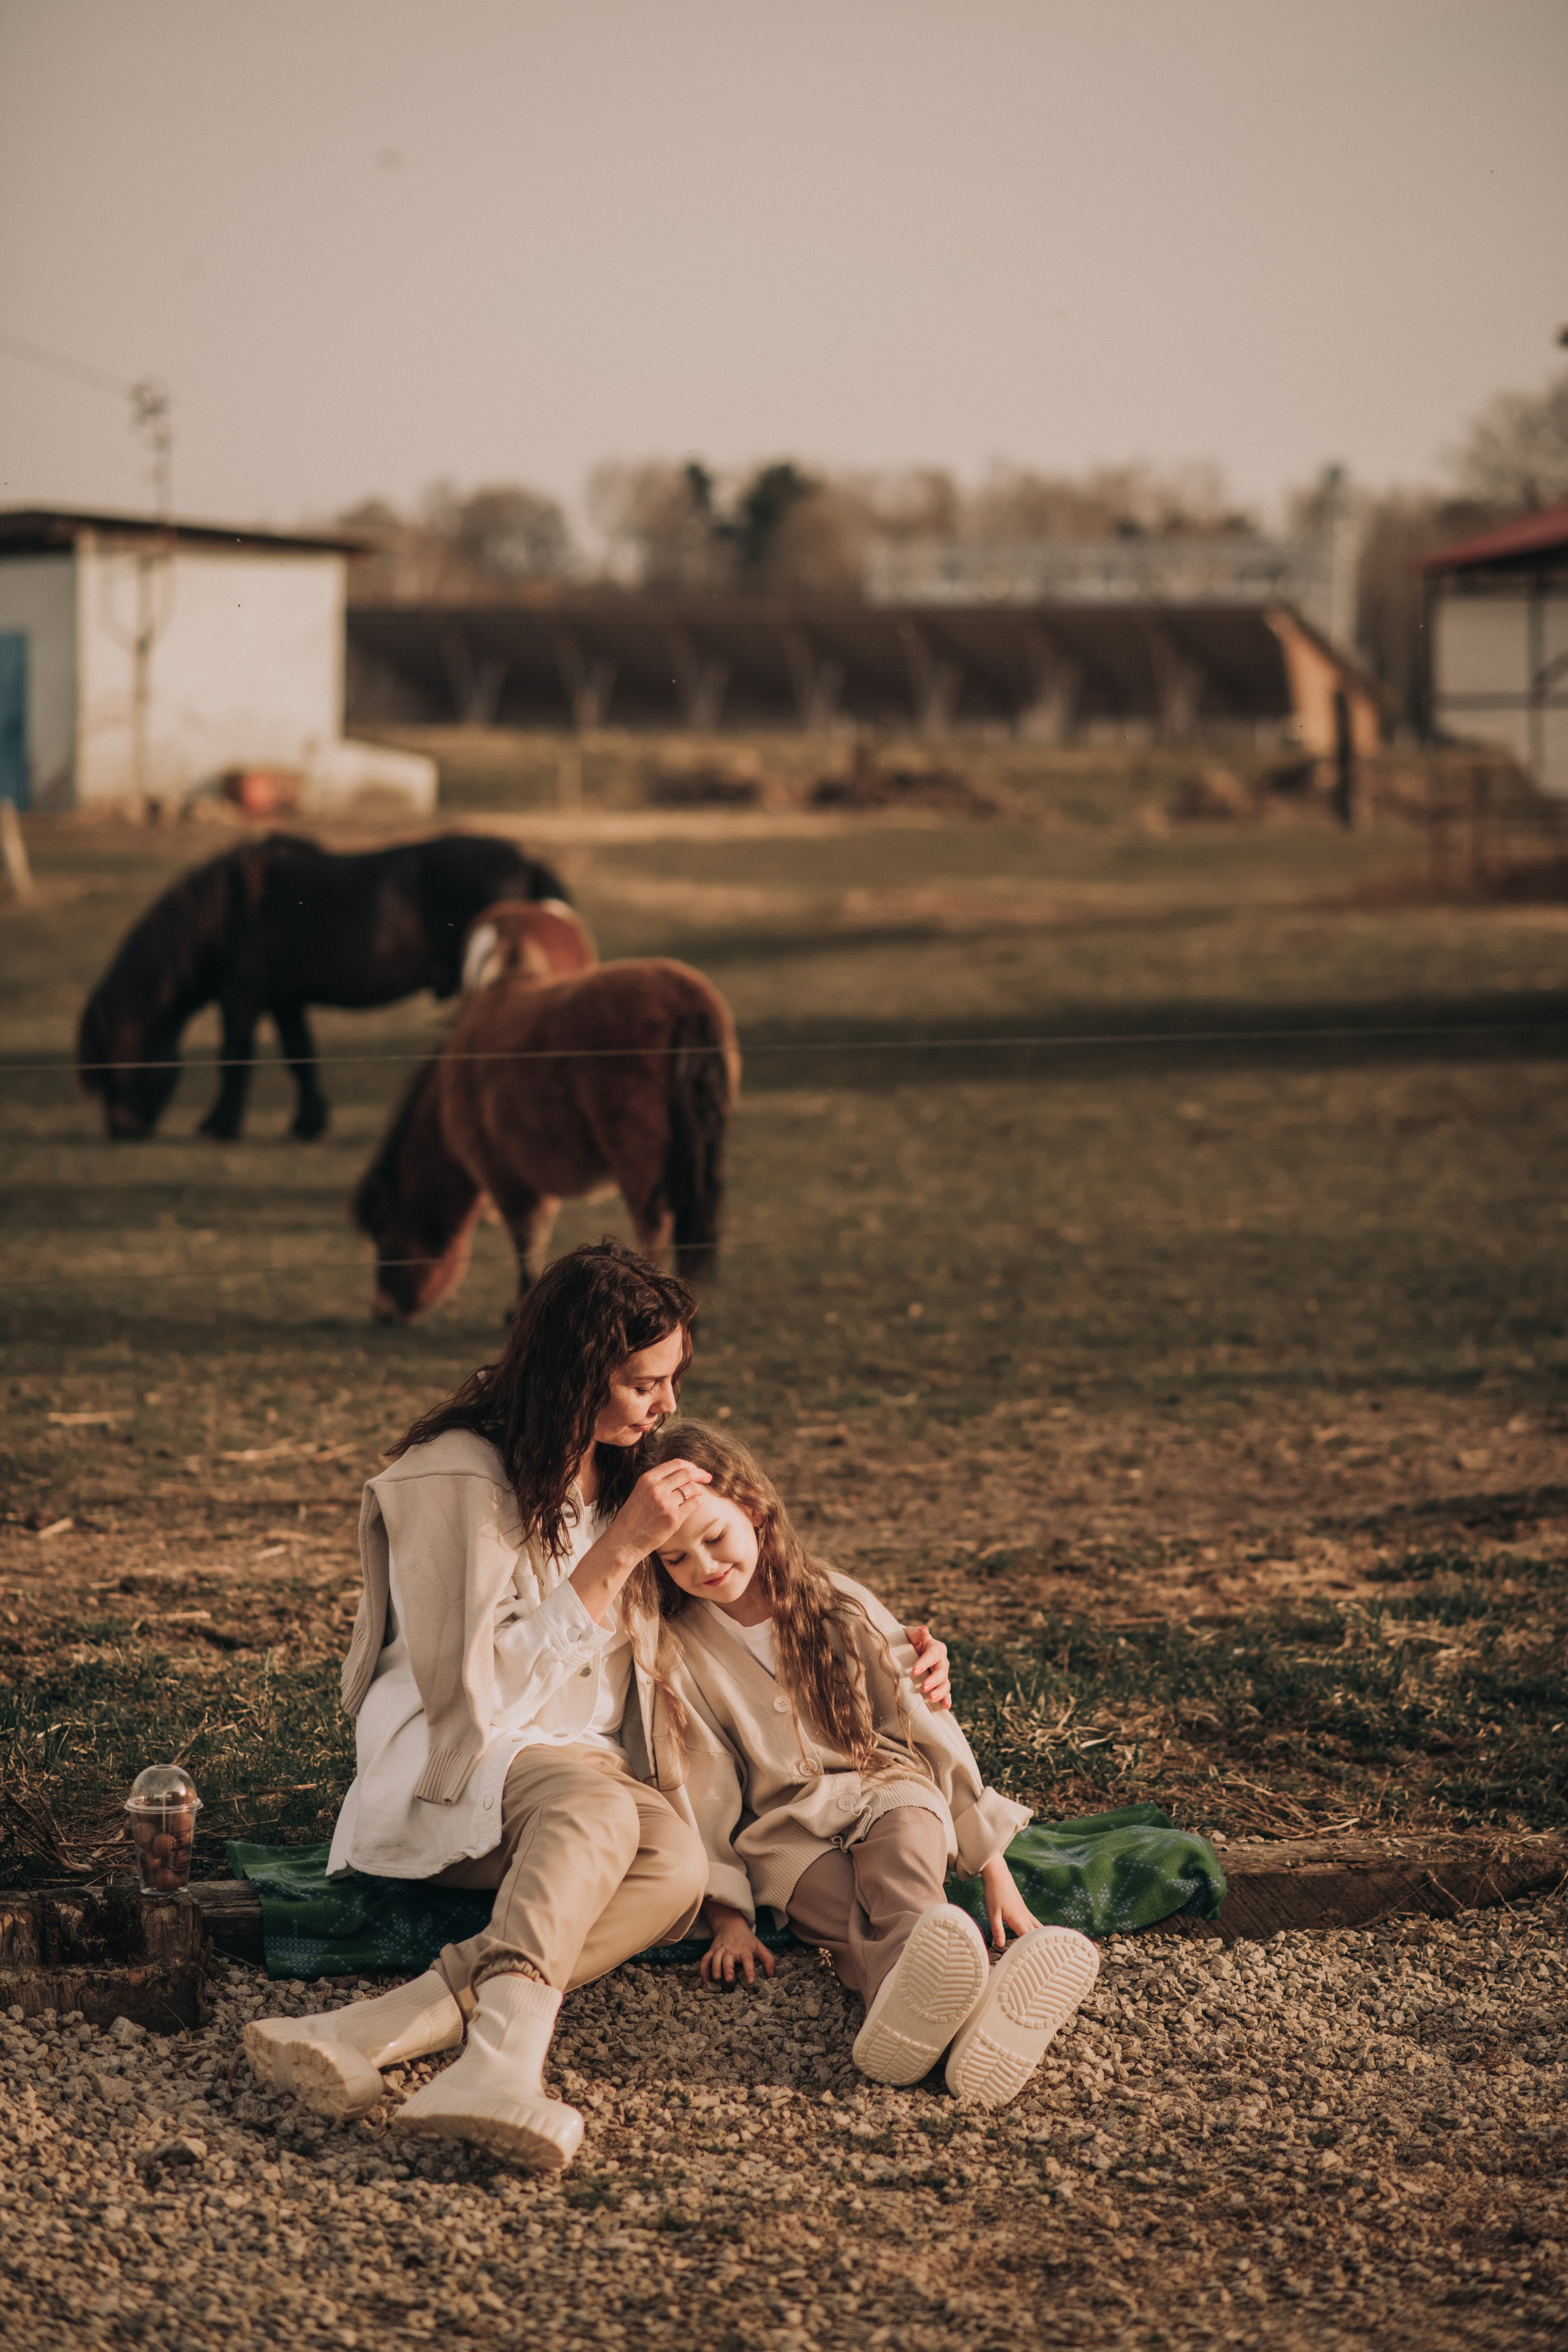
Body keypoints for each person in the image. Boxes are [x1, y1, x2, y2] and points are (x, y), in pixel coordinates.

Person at [244, 1240, 953, 2171]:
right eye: (644, 1383)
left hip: (583, 1768)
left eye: (673, 1379)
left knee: (672, 1871)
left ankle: (372, 2030)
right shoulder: (457, 1477)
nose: (668, 1407)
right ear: (579, 1370)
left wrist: (897, 1653)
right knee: (598, 1804)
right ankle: (501, 2062)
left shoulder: (628, 1467)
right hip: (460, 1760)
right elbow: (476, 1699)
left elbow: (746, 1579)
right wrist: (617, 1549)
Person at [624, 1420, 1100, 2109]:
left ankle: (919, 2017)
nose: (703, 1566)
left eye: (715, 1537)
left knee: (904, 1884)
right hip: (783, 1831)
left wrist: (991, 1863)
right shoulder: (678, 1646)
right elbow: (701, 1778)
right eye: (674, 1559)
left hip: (885, 1787)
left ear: (753, 1510)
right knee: (843, 1916)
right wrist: (729, 1913)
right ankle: (974, 2027)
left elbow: (922, 1721)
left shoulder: (836, 1601)